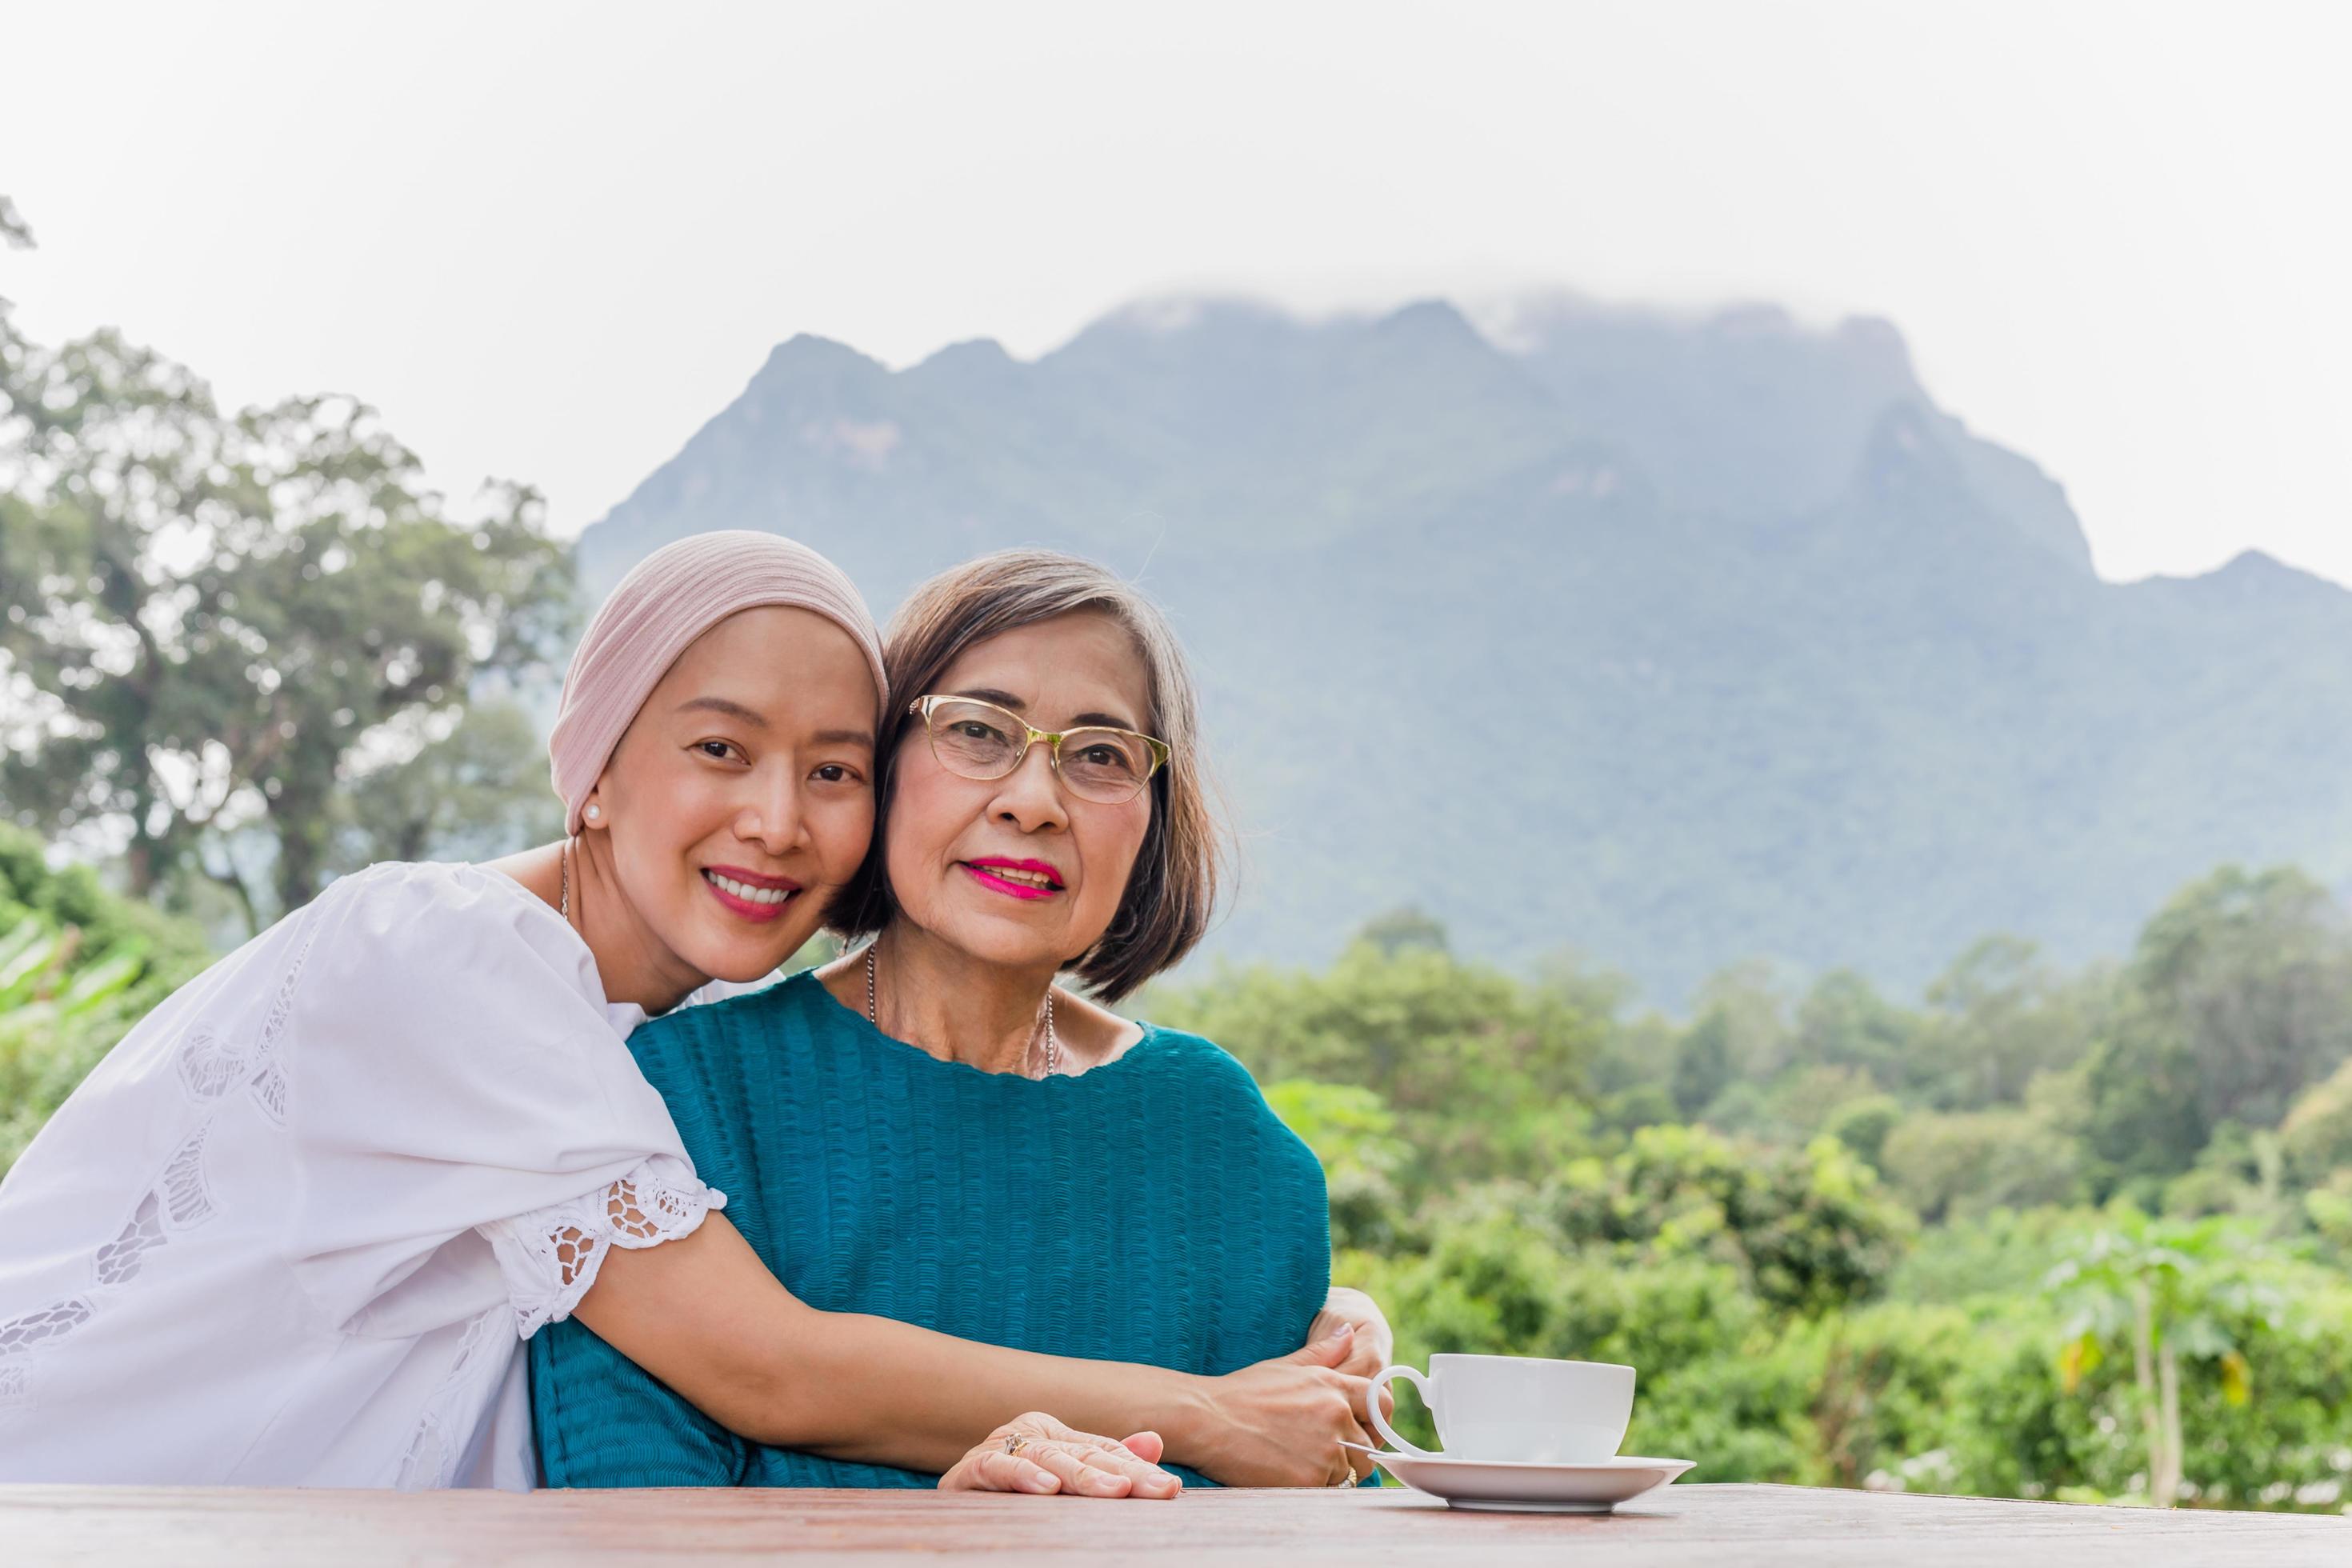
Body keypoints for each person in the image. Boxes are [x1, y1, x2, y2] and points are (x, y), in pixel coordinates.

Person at [0, 532, 1380, 1494]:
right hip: (83, 1498)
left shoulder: (642, 1046)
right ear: (593, 768)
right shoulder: (448, 956)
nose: (776, 820)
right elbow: (765, 1367)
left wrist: (1323, 1319)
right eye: (719, 749)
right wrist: (1206, 1412)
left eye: (830, 768)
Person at [532, 549, 1386, 1494]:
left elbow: (1312, 1497)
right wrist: (946, 1534)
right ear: (875, 771)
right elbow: (625, 1520)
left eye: (1101, 755)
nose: (1031, 800)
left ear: (1152, 817)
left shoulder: (1224, 1141)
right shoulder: (678, 1096)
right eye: (978, 732)